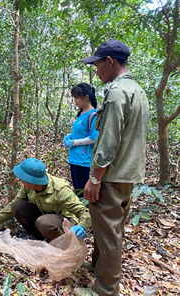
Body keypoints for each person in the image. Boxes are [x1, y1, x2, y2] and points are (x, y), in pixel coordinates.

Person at [74, 40, 149, 296]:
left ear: (109, 61)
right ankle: (99, 270)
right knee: (110, 228)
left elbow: (109, 140)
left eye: (97, 65)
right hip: (127, 173)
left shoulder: (117, 93)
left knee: (108, 234)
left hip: (112, 175)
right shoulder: (136, 89)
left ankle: (105, 290)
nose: (96, 72)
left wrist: (95, 177)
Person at [0, 158, 91, 242]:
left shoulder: (60, 190)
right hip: (44, 217)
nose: (21, 181)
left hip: (63, 222)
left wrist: (82, 226)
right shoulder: (28, 186)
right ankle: (41, 239)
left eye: (23, 179)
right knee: (18, 206)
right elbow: (13, 206)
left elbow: (85, 212)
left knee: (44, 222)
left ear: (33, 181)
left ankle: (61, 244)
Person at [63, 83, 99, 199]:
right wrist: (69, 136)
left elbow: (94, 137)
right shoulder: (81, 113)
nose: (75, 100)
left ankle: (86, 216)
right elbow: (79, 132)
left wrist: (74, 142)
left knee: (84, 195)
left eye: (77, 97)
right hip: (74, 159)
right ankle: (80, 215)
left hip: (83, 161)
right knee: (77, 192)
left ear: (86, 97)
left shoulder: (93, 115)